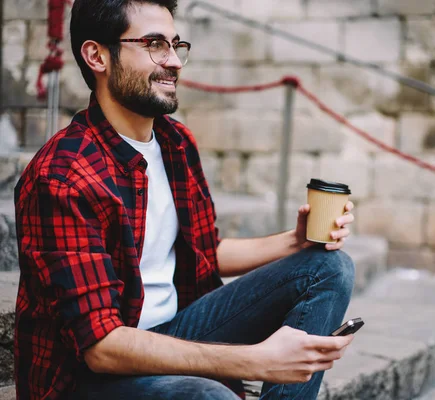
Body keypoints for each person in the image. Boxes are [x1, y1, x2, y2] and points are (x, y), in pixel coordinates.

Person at [12, 0, 356, 399]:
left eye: (176, 45)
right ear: (97, 56)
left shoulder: (175, 143)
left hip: (174, 332)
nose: (174, 61)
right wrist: (254, 360)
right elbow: (101, 348)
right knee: (207, 396)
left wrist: (296, 241)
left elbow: (204, 251)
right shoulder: (64, 176)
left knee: (329, 267)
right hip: (91, 376)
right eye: (155, 44)